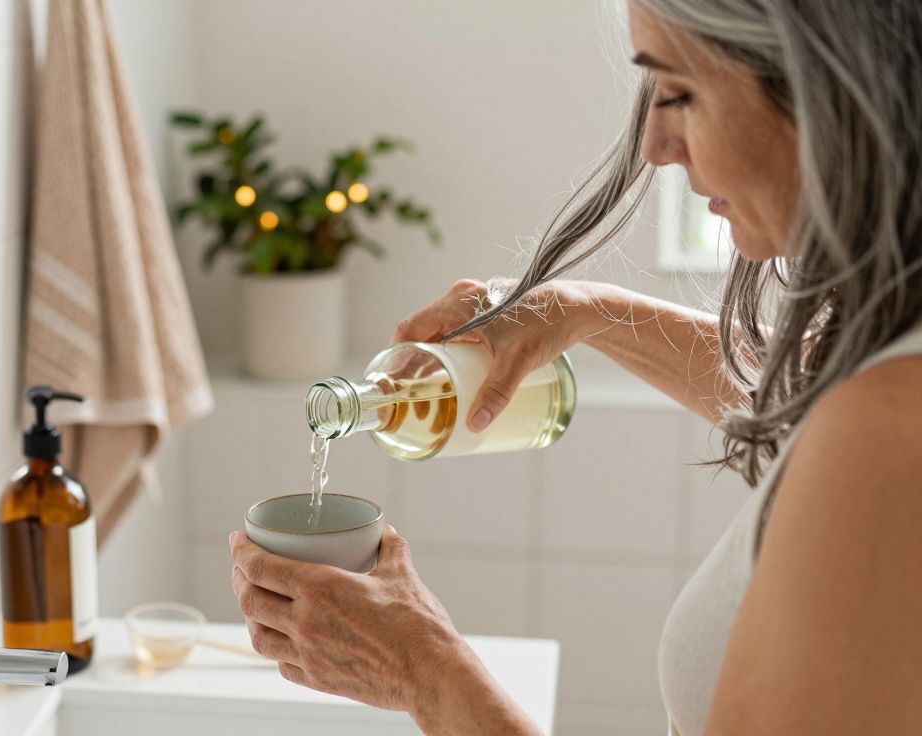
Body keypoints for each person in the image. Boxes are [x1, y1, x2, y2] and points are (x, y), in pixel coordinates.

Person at [229, 1, 922, 733]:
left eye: (680, 93)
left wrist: (424, 672)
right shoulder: (889, 360)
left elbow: (849, 419)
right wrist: (583, 310)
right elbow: (803, 399)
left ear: (832, 91)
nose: (655, 145)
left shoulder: (888, 433)